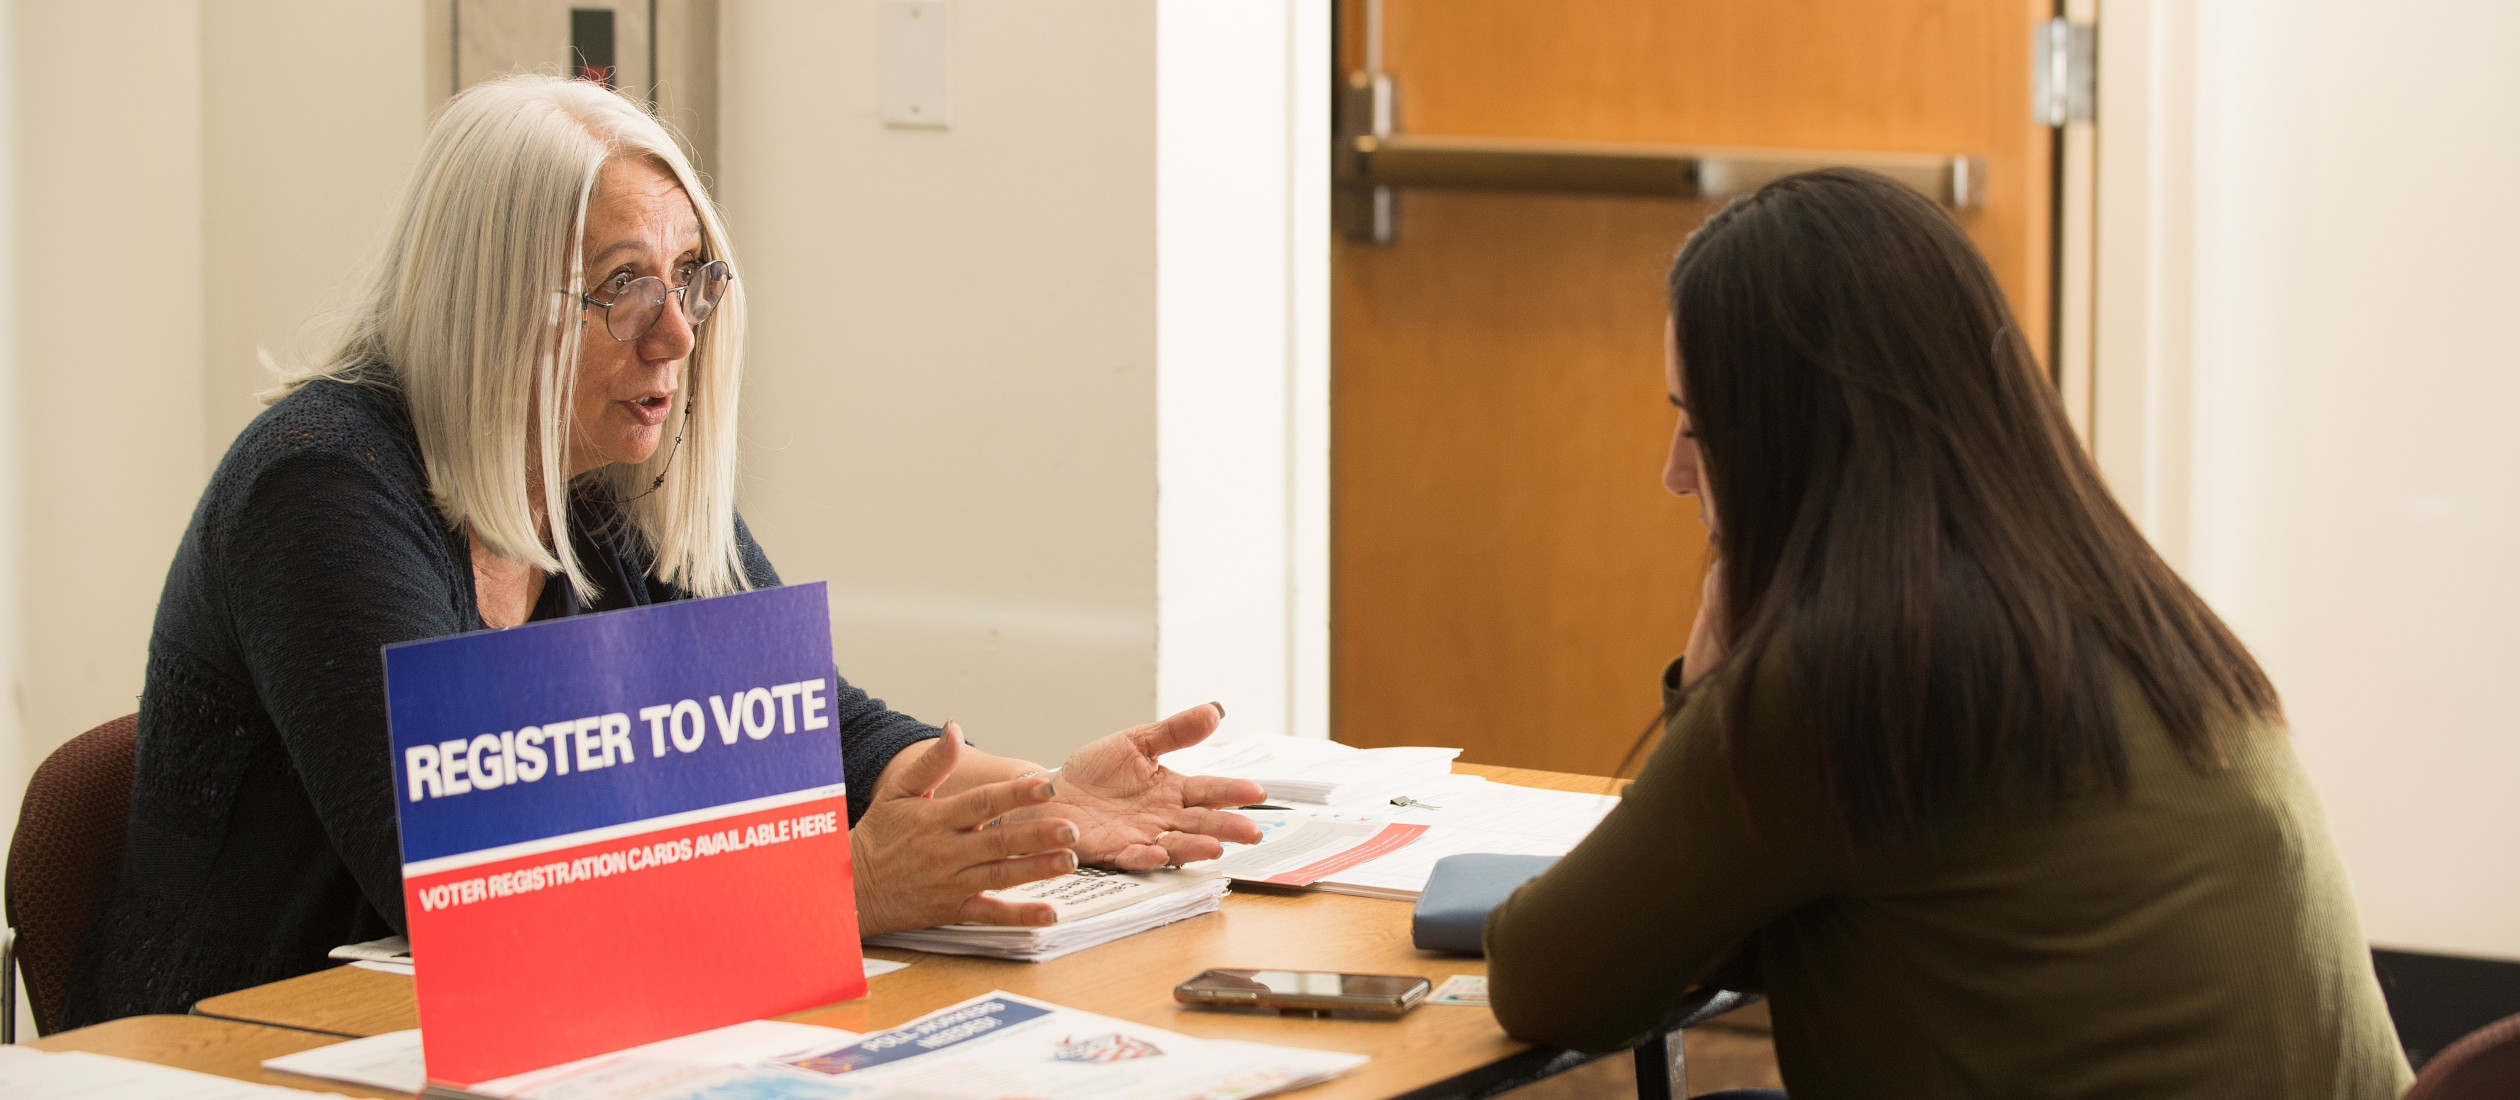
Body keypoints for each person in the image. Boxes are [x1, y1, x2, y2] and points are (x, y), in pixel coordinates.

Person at [61, 74, 1265, 1027]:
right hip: (244, 1043)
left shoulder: (607, 473)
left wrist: (1052, 800)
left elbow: (817, 727)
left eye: (692, 277)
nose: (676, 333)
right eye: (623, 283)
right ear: (492, 298)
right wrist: (848, 892)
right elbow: (472, 900)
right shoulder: (323, 484)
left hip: (516, 1037)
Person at [1482, 169, 2411, 1098]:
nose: (1675, 476)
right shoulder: (2124, 604)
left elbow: (1554, 982)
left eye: (1699, 426)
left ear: (1796, 437)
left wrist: (1716, 688)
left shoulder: (1852, 677)